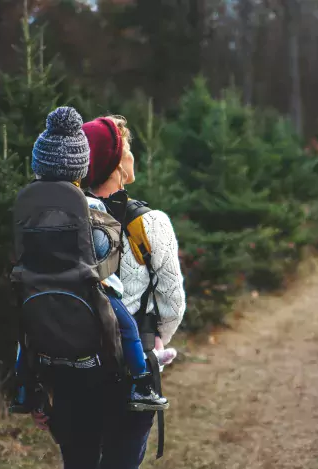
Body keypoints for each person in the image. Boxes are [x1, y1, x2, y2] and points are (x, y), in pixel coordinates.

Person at [32, 113, 186, 468]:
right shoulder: (150, 223)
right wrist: (155, 342)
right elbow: (173, 304)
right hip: (128, 376)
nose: (133, 155)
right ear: (117, 163)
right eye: (128, 148)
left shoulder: (58, 222)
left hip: (70, 369)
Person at [10, 106, 168, 414]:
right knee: (127, 327)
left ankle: (23, 388)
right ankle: (141, 384)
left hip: (34, 283)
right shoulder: (87, 205)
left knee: (25, 332)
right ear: (80, 167)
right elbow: (98, 248)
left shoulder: (27, 202)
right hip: (83, 284)